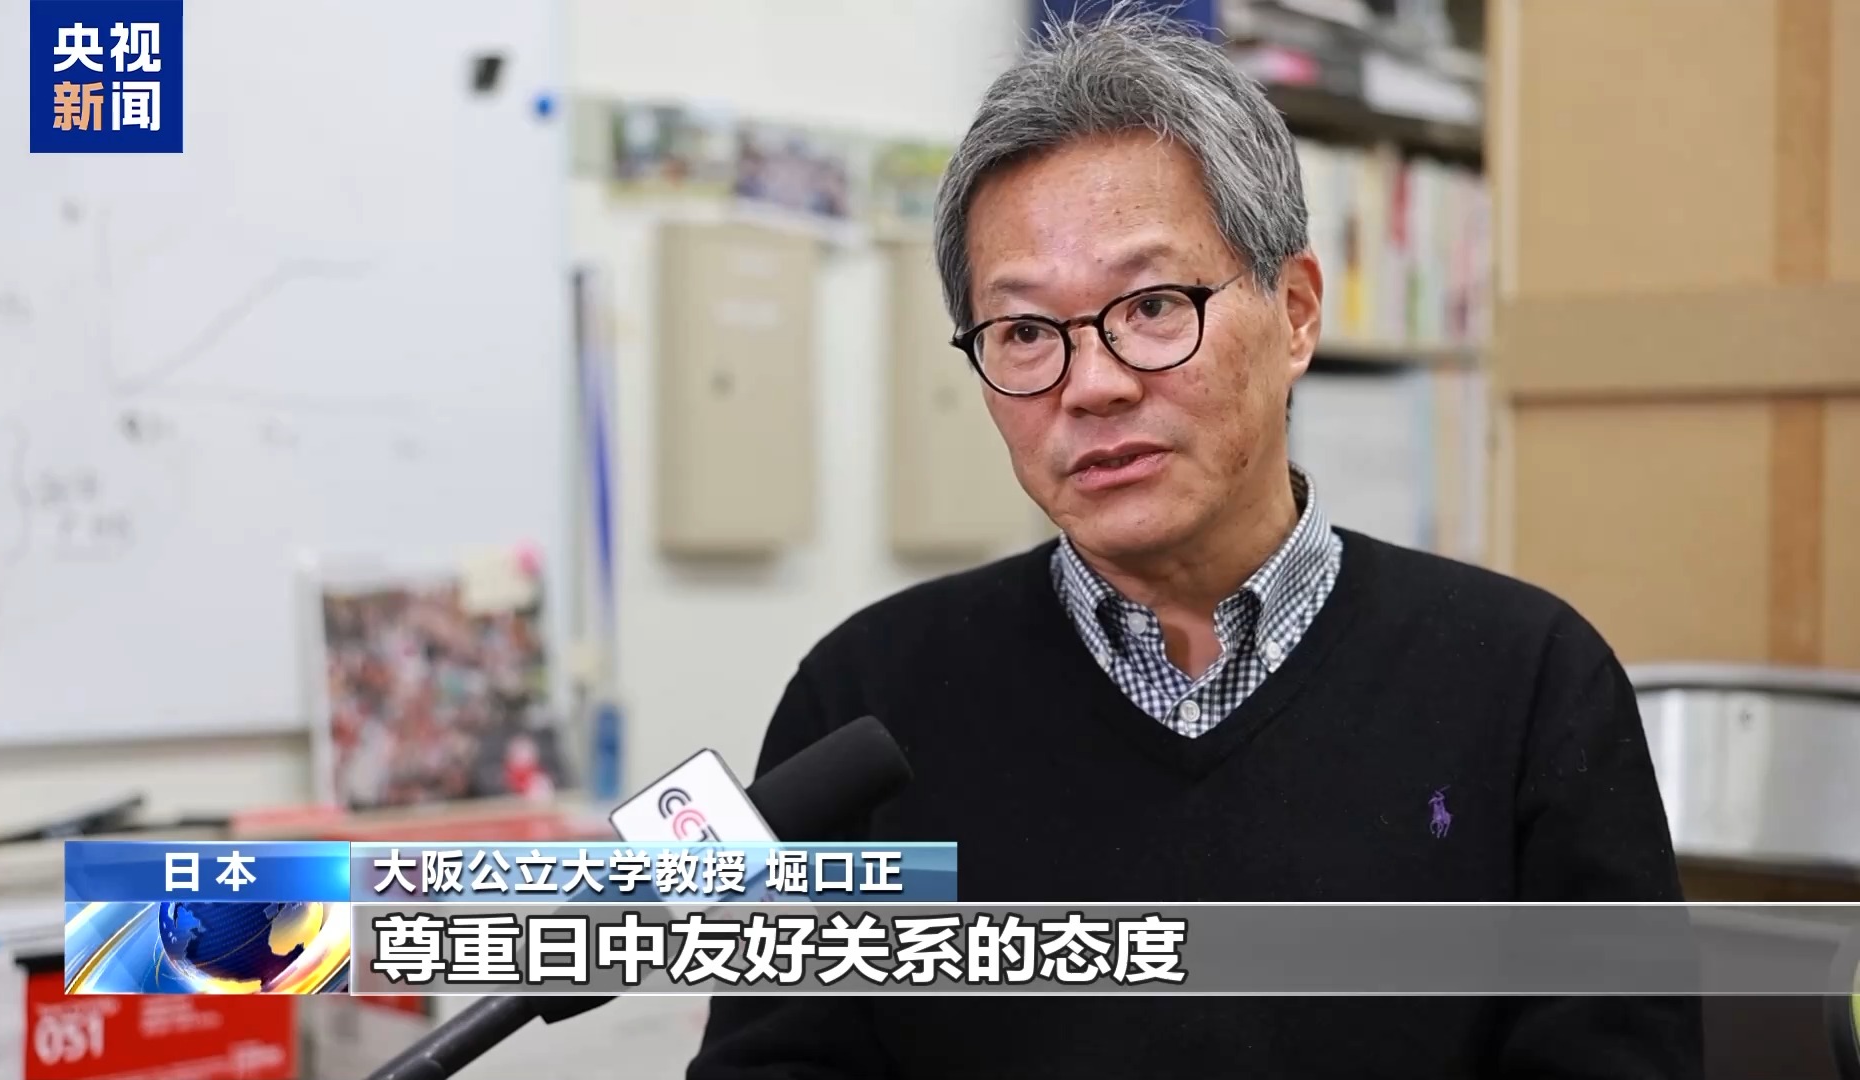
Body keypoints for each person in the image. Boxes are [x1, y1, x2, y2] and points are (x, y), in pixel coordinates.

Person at [687, 10, 1701, 1079]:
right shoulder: (860, 702)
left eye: (1153, 306)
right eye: (1024, 332)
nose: (1092, 385)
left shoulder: (1527, 682)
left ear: (1295, 313)